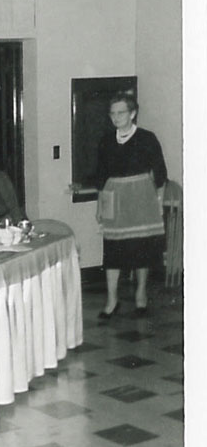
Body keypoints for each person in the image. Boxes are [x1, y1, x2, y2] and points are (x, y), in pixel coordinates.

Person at [95, 92, 167, 319]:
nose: (116, 117)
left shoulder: (147, 138)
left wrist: (158, 203)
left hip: (141, 198)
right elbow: (101, 176)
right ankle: (112, 300)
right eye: (112, 113)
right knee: (113, 250)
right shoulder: (106, 141)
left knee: (141, 248)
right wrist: (100, 205)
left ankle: (141, 294)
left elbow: (160, 174)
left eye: (121, 112)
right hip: (114, 197)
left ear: (133, 113)